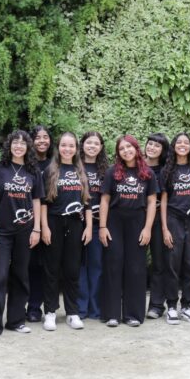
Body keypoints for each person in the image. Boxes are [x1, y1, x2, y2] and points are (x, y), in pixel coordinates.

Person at [0, 130, 42, 340]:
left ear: (28, 147)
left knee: (20, 275)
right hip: (2, 230)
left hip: (25, 230)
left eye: (23, 143)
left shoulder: (33, 171)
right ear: (9, 146)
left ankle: (16, 320)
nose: (18, 146)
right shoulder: (0, 169)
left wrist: (37, 228)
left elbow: (37, 200)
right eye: (15, 143)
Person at [99, 135, 158, 327]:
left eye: (129, 147)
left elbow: (152, 202)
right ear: (118, 152)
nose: (126, 151)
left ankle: (133, 314)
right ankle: (112, 314)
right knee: (113, 265)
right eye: (122, 148)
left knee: (136, 268)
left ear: (136, 148)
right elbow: (105, 200)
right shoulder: (112, 172)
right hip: (114, 222)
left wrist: (148, 228)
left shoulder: (147, 173)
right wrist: (102, 227)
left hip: (138, 222)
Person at [40, 132, 91, 331]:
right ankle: (50, 312)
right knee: (51, 269)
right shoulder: (50, 170)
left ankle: (72, 312)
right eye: (63, 145)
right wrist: (44, 227)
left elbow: (87, 202)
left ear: (76, 149)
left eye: (71, 146)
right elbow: (43, 203)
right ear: (58, 147)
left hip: (75, 223)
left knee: (72, 269)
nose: (67, 149)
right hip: (53, 222)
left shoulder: (80, 171)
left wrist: (88, 227)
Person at [159, 132, 190, 324]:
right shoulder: (167, 170)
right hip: (173, 220)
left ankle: (188, 305)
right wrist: (165, 228)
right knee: (172, 265)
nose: (182, 145)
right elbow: (163, 200)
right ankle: (172, 306)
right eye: (179, 142)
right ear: (173, 146)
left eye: (186, 142)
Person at [77, 131, 108, 321]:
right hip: (76, 224)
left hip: (98, 225)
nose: (92, 146)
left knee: (96, 266)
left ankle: (95, 308)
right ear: (82, 145)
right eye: (89, 142)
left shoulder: (106, 170)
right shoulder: (75, 167)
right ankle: (81, 308)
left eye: (96, 143)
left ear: (101, 147)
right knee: (79, 266)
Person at [26, 125, 53, 323]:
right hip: (28, 221)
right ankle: (29, 307)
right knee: (30, 265)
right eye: (37, 137)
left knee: (47, 266)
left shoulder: (55, 163)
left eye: (45, 137)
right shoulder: (26, 164)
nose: (42, 141)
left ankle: (41, 306)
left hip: (53, 221)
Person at [144, 133, 171, 319]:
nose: (152, 147)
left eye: (157, 145)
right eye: (150, 144)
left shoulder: (166, 170)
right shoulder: (137, 165)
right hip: (137, 219)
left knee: (159, 263)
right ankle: (132, 301)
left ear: (163, 150)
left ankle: (156, 305)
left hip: (159, 220)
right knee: (134, 263)